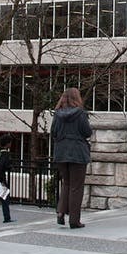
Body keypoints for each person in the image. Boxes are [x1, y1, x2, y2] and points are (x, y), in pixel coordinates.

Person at [51, 87, 93, 228]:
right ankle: (74, 220)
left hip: (61, 152)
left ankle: (60, 213)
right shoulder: (80, 114)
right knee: (76, 187)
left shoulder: (57, 114)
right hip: (77, 153)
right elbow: (87, 132)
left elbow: (53, 132)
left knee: (66, 183)